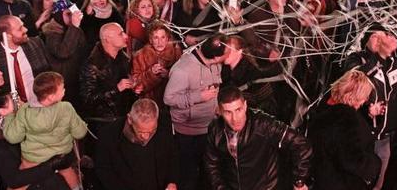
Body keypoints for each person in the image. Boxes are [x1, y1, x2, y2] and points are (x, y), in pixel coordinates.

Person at [204, 86, 312, 190]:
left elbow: (300, 143)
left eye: (238, 110)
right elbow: (212, 164)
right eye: (228, 112)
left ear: (245, 105)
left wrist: (299, 181)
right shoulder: (215, 129)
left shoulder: (263, 124)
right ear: (219, 111)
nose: (235, 118)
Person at [343, 26, 397, 190]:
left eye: (382, 36)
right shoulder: (356, 59)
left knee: (378, 183)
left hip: (385, 139)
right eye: (374, 36)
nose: (379, 40)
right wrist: (367, 112)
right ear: (365, 41)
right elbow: (354, 81)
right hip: (361, 137)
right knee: (356, 181)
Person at [163, 33, 230, 190]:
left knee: (208, 173)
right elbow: (169, 99)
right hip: (186, 134)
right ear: (214, 57)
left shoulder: (216, 64)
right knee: (189, 176)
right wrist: (199, 96)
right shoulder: (183, 70)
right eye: (224, 55)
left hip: (209, 127)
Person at [2, 71, 87, 189]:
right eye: (62, 88)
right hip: (60, 157)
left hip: (33, 160)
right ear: (51, 96)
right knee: (71, 176)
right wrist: (83, 124)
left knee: (18, 184)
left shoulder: (25, 110)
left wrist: (10, 116)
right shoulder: (66, 108)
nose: (64, 91)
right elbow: (80, 133)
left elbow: (13, 137)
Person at [307, 69, 381, 190]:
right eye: (365, 97)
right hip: (344, 183)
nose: (365, 101)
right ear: (356, 95)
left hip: (323, 180)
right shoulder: (347, 118)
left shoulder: (323, 107)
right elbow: (353, 160)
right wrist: (375, 164)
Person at [94, 98, 178, 190]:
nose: (146, 137)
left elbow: (172, 157)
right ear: (130, 119)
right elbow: (104, 171)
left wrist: (171, 182)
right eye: (141, 132)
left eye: (152, 131)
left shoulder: (164, 125)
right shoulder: (109, 136)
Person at [0, 15, 50, 106]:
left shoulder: (36, 44)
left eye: (23, 25)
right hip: (12, 112)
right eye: (20, 29)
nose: (25, 29)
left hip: (41, 104)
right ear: (7, 36)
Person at [132, 21, 182, 106]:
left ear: (167, 38)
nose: (160, 42)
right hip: (149, 104)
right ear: (151, 40)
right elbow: (136, 86)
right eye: (156, 38)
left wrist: (169, 74)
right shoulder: (140, 56)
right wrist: (151, 73)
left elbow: (183, 81)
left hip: (172, 104)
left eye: (163, 37)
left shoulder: (176, 52)